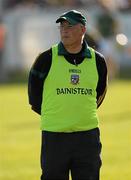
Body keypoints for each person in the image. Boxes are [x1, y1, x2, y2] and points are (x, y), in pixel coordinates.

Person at [28, 10, 107, 180]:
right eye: (62, 26)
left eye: (70, 26)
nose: (65, 30)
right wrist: (57, 114)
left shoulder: (98, 61)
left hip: (87, 137)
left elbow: (99, 94)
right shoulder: (46, 58)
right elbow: (34, 96)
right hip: (54, 137)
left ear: (83, 30)